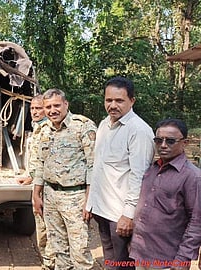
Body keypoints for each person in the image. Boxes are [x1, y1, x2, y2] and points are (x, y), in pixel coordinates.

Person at [85, 76, 155, 270]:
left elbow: (139, 177)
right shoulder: (104, 125)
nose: (113, 105)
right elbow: (97, 166)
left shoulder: (138, 131)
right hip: (102, 210)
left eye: (119, 100)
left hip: (121, 215)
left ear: (132, 101)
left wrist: (128, 216)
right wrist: (90, 202)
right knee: (110, 262)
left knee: (123, 265)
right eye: (109, 100)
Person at [31, 88, 96, 269]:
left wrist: (89, 200)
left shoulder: (83, 126)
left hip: (76, 197)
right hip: (50, 196)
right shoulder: (44, 130)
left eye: (57, 105)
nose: (53, 110)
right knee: (58, 250)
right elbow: (40, 165)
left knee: (79, 251)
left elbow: (93, 166)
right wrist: (36, 195)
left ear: (66, 104)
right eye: (48, 107)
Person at [129, 118, 201, 270]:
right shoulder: (152, 169)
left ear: (185, 143)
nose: (162, 145)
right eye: (158, 140)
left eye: (170, 141)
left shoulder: (192, 177)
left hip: (167, 260)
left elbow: (197, 222)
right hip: (141, 254)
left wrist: (183, 258)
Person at [16, 94, 54, 268]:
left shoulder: (49, 129)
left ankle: (52, 263)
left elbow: (46, 161)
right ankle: (48, 262)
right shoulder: (37, 128)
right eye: (32, 108)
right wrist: (29, 175)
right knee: (42, 229)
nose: (35, 112)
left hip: (47, 188)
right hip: (37, 185)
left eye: (39, 108)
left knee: (50, 230)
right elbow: (36, 159)